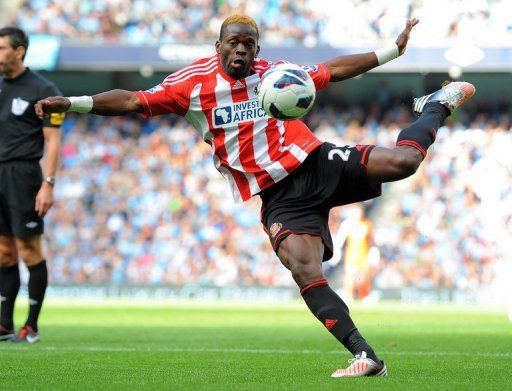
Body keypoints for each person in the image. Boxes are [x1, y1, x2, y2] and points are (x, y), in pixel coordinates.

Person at [35, 15, 475, 377]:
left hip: (314, 161)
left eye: (249, 43)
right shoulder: (192, 85)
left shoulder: (278, 75)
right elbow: (132, 100)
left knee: (404, 164)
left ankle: (433, 106)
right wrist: (72, 103)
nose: (241, 50)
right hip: (278, 196)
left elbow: (333, 70)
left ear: (258, 50)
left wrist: (392, 51)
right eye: (233, 43)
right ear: (218, 46)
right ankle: (366, 356)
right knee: (304, 269)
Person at [0, 27, 64, 343]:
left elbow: (52, 141)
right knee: (3, 254)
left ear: (19, 51)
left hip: (24, 176)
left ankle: (32, 325)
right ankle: (4, 324)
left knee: (29, 250)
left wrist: (48, 183)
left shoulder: (42, 89)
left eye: (1, 48)